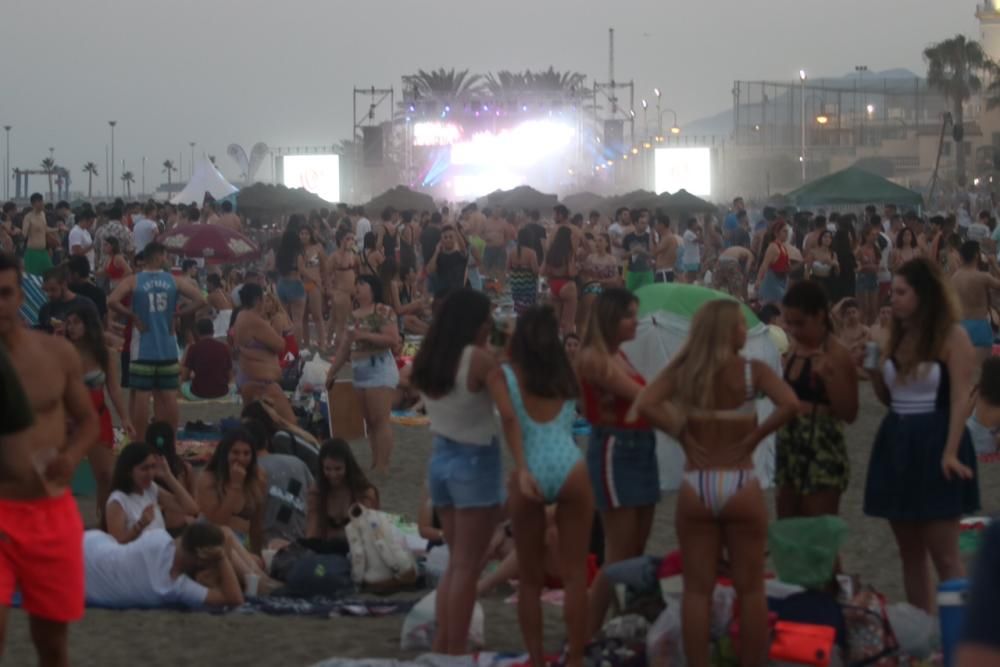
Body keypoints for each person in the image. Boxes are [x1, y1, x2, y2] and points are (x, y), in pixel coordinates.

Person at [631, 300, 798, 667]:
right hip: (740, 479)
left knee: (696, 590)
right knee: (751, 589)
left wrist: (682, 435)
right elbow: (790, 404)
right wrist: (755, 439)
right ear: (726, 331)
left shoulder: (688, 372)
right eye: (740, 324)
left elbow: (645, 401)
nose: (745, 330)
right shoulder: (752, 372)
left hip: (698, 481)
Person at [410, 288, 527, 656]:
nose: (490, 325)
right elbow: (509, 412)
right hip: (474, 462)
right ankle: (453, 649)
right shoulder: (478, 360)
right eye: (487, 320)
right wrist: (523, 465)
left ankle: (445, 643)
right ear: (475, 324)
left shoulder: (432, 358)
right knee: (466, 567)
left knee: (458, 565)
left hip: (441, 460)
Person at [863, 258, 980, 614]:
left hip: (937, 436)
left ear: (924, 295)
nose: (892, 298)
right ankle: (927, 637)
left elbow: (963, 396)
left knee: (945, 556)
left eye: (901, 292)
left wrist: (949, 451)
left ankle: (959, 639)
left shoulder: (951, 335)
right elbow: (888, 398)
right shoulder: (895, 335)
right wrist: (873, 367)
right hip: (897, 437)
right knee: (909, 554)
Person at [0, 252, 99, 666]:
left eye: (5, 293)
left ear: (21, 296)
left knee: (52, 646)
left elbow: (89, 420)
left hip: (49, 511)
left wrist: (72, 455)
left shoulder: (56, 355)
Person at [502, 306, 593, 666]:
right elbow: (588, 410)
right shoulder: (567, 375)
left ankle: (537, 659)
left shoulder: (510, 376)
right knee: (574, 577)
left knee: (529, 579)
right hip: (570, 463)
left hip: (531, 467)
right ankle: (575, 659)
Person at [576, 288, 660, 635]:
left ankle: (614, 624)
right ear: (611, 318)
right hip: (616, 448)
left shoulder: (617, 355)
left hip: (638, 446)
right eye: (629, 315)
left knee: (635, 550)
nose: (635, 321)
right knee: (618, 555)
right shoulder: (594, 358)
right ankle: (584, 637)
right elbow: (642, 396)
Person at [777, 281, 858, 519]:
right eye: (789, 323)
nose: (793, 329)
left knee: (819, 535)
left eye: (800, 323)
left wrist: (830, 379)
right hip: (790, 442)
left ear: (820, 316)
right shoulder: (794, 348)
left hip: (821, 445)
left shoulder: (837, 353)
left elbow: (850, 413)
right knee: (788, 527)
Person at [109, 242, 205, 432]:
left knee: (142, 396)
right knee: (169, 397)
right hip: (167, 346)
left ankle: (140, 439)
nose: (166, 259)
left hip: (143, 346)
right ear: (159, 256)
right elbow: (201, 299)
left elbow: (112, 300)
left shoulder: (134, 280)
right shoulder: (173, 280)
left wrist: (132, 316)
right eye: (165, 255)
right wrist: (177, 314)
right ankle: (168, 441)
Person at [64, 303, 133, 512]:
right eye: (68, 323)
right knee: (61, 478)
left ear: (88, 324)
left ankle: (103, 523)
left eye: (76, 322)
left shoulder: (103, 353)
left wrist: (125, 418)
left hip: (97, 418)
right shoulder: (62, 352)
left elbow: (114, 389)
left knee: (105, 476)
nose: (71, 327)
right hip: (67, 420)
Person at [327, 275, 398, 474]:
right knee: (369, 421)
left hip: (379, 366)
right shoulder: (353, 314)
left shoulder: (383, 310)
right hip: (359, 368)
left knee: (380, 419)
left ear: (372, 289)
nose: (357, 288)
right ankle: (376, 461)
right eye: (356, 284)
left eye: (361, 284)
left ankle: (383, 464)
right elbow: (344, 348)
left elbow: (392, 339)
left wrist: (364, 335)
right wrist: (332, 372)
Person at [83, 523, 244, 608]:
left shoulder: (157, 536)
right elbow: (235, 599)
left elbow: (181, 542)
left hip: (91, 543)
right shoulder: (173, 587)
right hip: (82, 581)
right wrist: (222, 558)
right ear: (200, 559)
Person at [105, 442, 199, 544]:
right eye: (144, 468)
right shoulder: (118, 501)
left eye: (153, 467)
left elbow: (191, 509)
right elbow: (116, 545)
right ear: (129, 471)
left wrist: (168, 476)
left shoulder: (151, 489)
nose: (150, 474)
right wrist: (140, 525)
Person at [195, 428, 267, 554]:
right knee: (226, 535)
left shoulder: (257, 479)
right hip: (211, 541)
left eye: (246, 453)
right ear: (225, 453)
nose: (241, 458)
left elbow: (256, 525)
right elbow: (217, 522)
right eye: (235, 452)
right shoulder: (208, 479)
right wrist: (235, 486)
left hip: (242, 545)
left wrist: (258, 553)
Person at [243, 419, 313, 546]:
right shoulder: (297, 462)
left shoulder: (249, 471)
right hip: (305, 540)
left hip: (269, 545)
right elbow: (314, 497)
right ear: (266, 441)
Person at [231, 284, 295, 422]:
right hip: (261, 381)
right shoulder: (254, 320)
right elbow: (280, 345)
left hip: (248, 377)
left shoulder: (241, 315)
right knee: (289, 422)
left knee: (252, 423)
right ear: (258, 300)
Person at [306, 439, 379, 544]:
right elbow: (312, 530)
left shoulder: (364, 493)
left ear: (348, 467)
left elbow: (371, 530)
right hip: (326, 550)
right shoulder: (317, 493)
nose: (333, 475)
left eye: (338, 469)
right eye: (327, 469)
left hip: (358, 548)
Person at [952, 241, 1000, 365]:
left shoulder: (955, 277)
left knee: (961, 369)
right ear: (976, 255)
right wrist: (994, 264)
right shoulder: (983, 277)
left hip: (960, 325)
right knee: (981, 371)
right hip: (979, 324)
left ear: (961, 257)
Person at [181, 318, 233, 400]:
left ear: (197, 333)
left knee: (182, 385)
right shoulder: (224, 347)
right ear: (213, 331)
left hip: (198, 395)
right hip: (222, 394)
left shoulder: (193, 348)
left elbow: (184, 377)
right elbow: (230, 376)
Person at [37, 265, 99, 334]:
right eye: (46, 290)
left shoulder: (85, 305)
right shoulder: (45, 309)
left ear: (64, 284)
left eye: (53, 289)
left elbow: (96, 333)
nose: (49, 294)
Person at [578, 233, 621, 332]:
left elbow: (615, 279)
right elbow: (584, 272)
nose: (597, 243)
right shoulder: (590, 258)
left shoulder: (611, 259)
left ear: (606, 243)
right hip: (591, 287)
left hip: (605, 288)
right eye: (596, 241)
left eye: (600, 240)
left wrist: (600, 281)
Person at [542, 226, 578, 336]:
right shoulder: (569, 251)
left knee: (554, 323)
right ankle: (568, 349)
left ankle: (553, 347)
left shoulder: (550, 251)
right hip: (567, 285)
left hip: (553, 286)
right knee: (568, 323)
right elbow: (571, 273)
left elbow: (543, 271)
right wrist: (578, 268)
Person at [275, 221, 307, 344]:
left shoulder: (280, 254)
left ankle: (283, 344)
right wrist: (315, 278)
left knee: (283, 317)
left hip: (281, 284)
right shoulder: (297, 254)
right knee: (297, 319)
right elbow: (302, 270)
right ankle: (296, 348)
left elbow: (274, 268)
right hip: (295, 285)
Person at [327, 227, 358, 347]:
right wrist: (330, 290)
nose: (350, 241)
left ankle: (328, 343)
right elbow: (327, 274)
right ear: (341, 240)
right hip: (341, 292)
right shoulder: (335, 256)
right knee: (341, 322)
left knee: (334, 319)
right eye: (347, 238)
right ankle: (339, 347)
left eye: (352, 238)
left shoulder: (352, 253)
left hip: (350, 291)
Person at [299, 224, 328, 352]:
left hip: (314, 284)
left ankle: (323, 343)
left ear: (310, 235)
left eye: (306, 233)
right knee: (303, 316)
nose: (304, 236)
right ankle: (306, 343)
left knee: (317, 315)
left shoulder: (318, 247)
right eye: (301, 233)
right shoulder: (298, 250)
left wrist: (324, 283)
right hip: (301, 284)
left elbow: (324, 267)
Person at [755, 220, 791, 304]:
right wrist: (758, 280)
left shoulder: (783, 247)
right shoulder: (773, 247)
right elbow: (764, 265)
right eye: (784, 231)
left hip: (781, 281)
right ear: (776, 233)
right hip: (772, 281)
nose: (787, 234)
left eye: (787, 231)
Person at [427, 225, 467, 299]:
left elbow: (463, 247)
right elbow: (430, 271)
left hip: (457, 296)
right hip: (441, 296)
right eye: (445, 237)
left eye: (451, 237)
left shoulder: (460, 255)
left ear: (455, 239)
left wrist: (456, 230)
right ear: (441, 240)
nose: (448, 239)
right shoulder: (438, 256)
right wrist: (436, 252)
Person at [507, 226, 540, 316]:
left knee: (518, 305)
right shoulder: (531, 252)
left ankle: (518, 318)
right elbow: (536, 271)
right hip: (528, 285)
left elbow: (508, 268)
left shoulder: (512, 251)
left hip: (515, 284)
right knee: (529, 308)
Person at [66, 255, 107, 322]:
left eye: (68, 273)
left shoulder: (69, 291)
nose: (67, 277)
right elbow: (103, 320)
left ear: (76, 275)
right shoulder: (99, 293)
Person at [856, 224, 882, 325]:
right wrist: (866, 266)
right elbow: (856, 267)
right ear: (866, 236)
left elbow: (877, 265)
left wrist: (873, 267)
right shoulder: (860, 249)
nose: (875, 237)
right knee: (864, 308)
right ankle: (862, 328)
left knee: (873, 308)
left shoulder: (876, 249)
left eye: (876, 235)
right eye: (872, 235)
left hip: (873, 277)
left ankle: (871, 330)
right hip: (863, 277)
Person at [623, 210, 653, 291]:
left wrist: (642, 251)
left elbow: (653, 254)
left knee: (647, 294)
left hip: (646, 271)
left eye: (646, 223)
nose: (645, 225)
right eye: (642, 223)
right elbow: (623, 256)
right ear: (635, 223)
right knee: (630, 295)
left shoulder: (649, 237)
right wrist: (633, 251)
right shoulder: (628, 237)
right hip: (632, 271)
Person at [22, 193, 52, 276]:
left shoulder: (43, 214)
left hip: (43, 252)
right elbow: (24, 234)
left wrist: (58, 229)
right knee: (33, 278)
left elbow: (45, 229)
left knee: (49, 275)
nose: (42, 203)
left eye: (42, 201)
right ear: (33, 204)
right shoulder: (28, 217)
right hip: (33, 253)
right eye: (39, 201)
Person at [804, 229, 839, 298]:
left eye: (829, 237)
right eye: (825, 237)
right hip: (815, 281)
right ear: (821, 238)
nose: (827, 239)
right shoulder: (813, 252)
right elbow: (807, 270)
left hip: (828, 284)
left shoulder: (833, 254)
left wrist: (834, 264)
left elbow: (837, 273)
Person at [653, 215, 679, 283]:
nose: (654, 227)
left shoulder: (668, 238)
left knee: (662, 293)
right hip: (663, 271)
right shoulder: (665, 237)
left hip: (664, 272)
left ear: (661, 225)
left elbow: (653, 252)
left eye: (656, 224)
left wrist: (650, 237)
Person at [681, 218, 702, 283]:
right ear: (693, 224)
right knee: (691, 278)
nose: (697, 225)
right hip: (690, 260)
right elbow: (698, 240)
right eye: (696, 223)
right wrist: (700, 231)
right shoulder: (688, 233)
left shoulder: (693, 233)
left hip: (693, 260)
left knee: (693, 277)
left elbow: (701, 240)